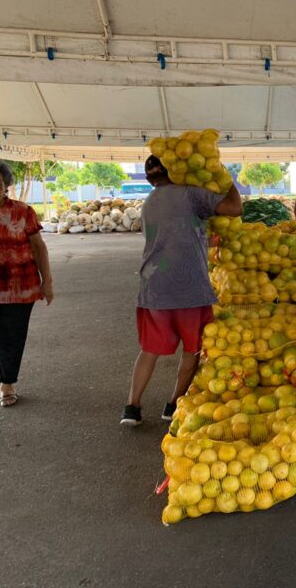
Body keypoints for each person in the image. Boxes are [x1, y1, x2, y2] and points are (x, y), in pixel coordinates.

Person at [121, 155, 242, 426]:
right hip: (190, 289)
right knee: (192, 350)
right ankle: (173, 403)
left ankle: (132, 407)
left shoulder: (149, 203)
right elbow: (234, 208)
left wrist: (203, 238)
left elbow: (174, 237)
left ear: (150, 179)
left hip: (154, 286)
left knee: (149, 350)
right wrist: (227, 180)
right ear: (175, 170)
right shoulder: (191, 193)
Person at [0, 160, 54, 407]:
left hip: (21, 289)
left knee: (13, 337)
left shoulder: (23, 211)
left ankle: (7, 383)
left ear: (6, 186)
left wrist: (47, 282)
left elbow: (38, 247)